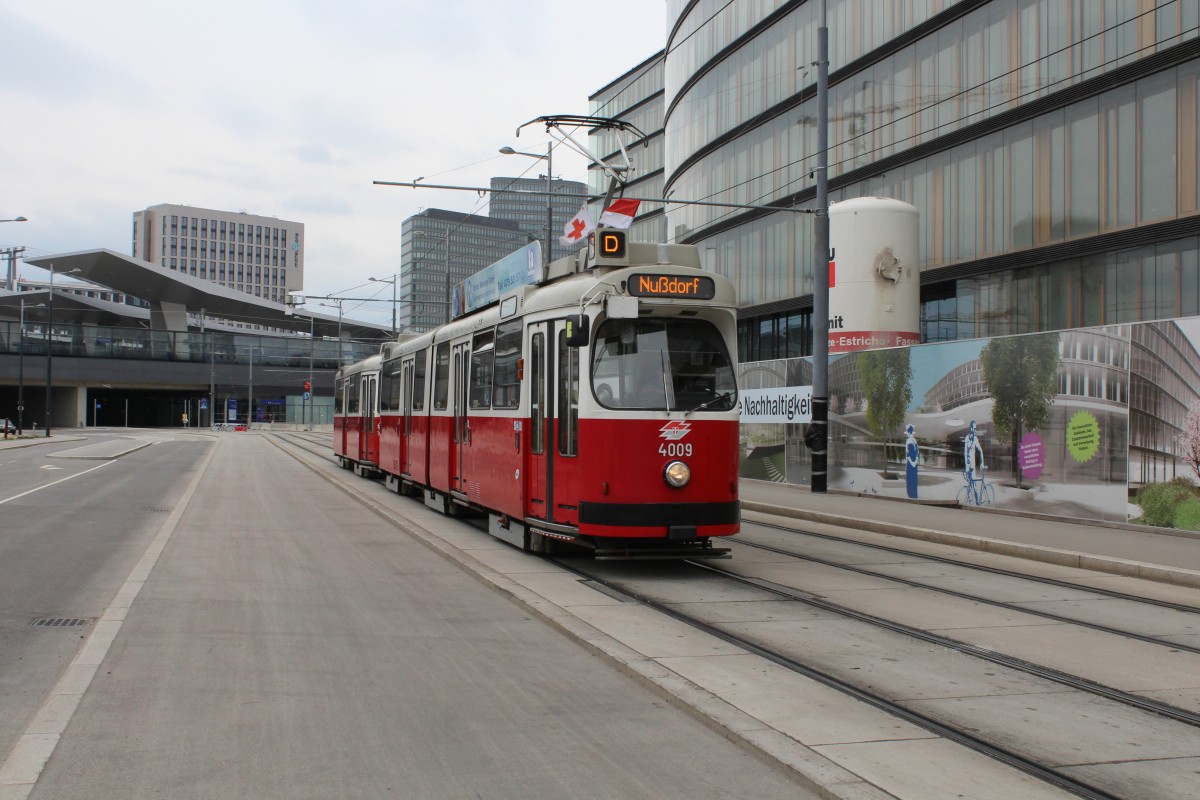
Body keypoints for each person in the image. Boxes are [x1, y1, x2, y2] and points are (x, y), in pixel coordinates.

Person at [963, 420, 985, 502]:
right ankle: (970, 500)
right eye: (973, 428)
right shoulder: (967, 438)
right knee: (970, 484)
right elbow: (965, 453)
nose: (975, 430)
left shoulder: (976, 439)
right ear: (970, 428)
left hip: (973, 466)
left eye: (976, 428)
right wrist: (966, 466)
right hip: (968, 466)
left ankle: (978, 502)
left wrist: (982, 463)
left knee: (974, 486)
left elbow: (980, 450)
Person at [905, 424, 919, 499]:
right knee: (914, 479)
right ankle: (914, 494)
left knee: (910, 479)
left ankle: (910, 494)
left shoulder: (908, 441)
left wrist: (912, 463)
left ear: (908, 432)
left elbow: (907, 454)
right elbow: (917, 452)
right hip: (915, 464)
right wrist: (915, 462)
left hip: (910, 464)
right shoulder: (915, 440)